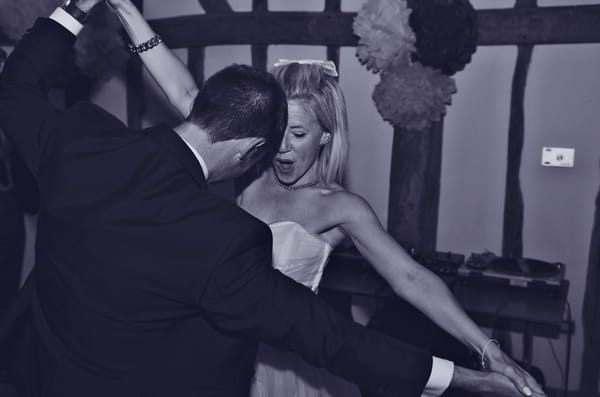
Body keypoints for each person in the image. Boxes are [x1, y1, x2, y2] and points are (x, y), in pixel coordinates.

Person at [0, 1, 533, 397]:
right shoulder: (237, 177)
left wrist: (485, 350)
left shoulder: (340, 206)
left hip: (286, 366)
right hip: (196, 360)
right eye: (275, 137)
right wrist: (127, 11)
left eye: (297, 135)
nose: (281, 149)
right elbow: (199, 108)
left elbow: (409, 279)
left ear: (326, 135)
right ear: (252, 142)